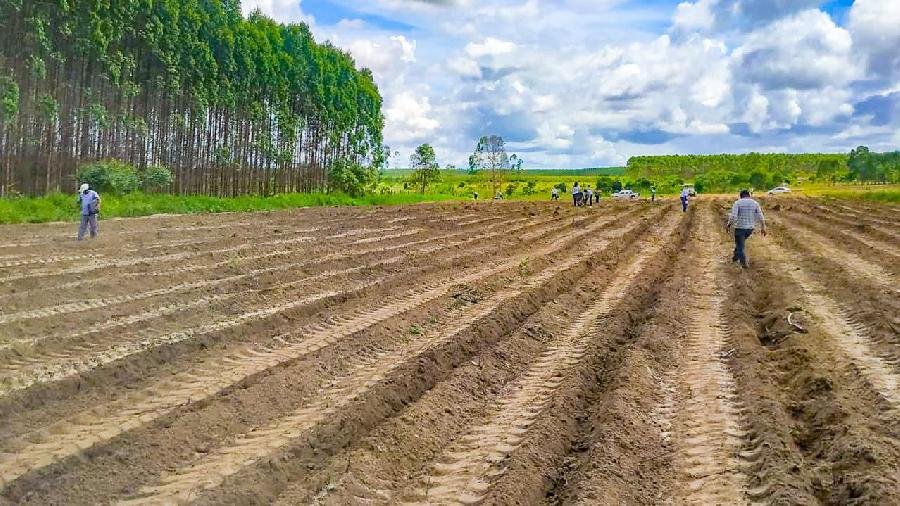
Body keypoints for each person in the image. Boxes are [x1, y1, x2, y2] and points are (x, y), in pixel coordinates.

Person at [726, 189, 766, 268]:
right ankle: (735, 257)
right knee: (740, 243)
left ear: (740, 196)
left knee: (740, 245)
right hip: (750, 228)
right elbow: (761, 216)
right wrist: (763, 227)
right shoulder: (755, 203)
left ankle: (743, 262)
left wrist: (728, 225)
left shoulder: (738, 203)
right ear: (749, 195)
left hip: (740, 227)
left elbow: (733, 216)